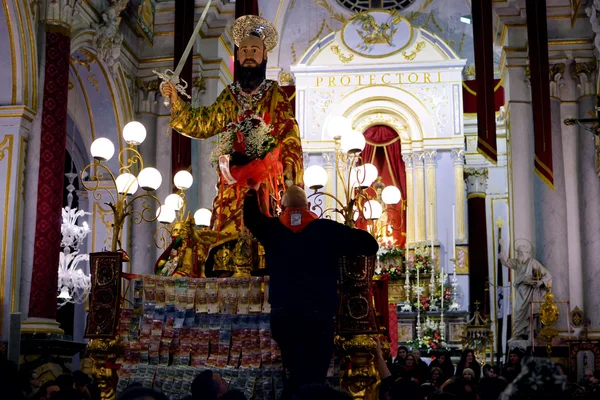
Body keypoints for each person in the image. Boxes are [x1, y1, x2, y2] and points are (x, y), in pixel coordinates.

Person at [161, 15, 303, 276]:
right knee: (229, 230)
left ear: (264, 56)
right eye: (244, 51)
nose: (249, 55)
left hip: (266, 182)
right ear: (238, 58)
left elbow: (289, 134)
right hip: (232, 184)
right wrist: (177, 101)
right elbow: (204, 122)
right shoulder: (230, 95)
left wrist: (286, 170)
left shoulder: (275, 93)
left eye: (254, 51)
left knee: (264, 227)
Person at [243, 184, 378, 394]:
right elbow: (369, 244)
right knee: (315, 374)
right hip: (318, 316)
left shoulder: (272, 230)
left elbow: (251, 218)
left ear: (281, 206)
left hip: (284, 316)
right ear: (307, 206)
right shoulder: (327, 230)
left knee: (294, 370)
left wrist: (252, 189)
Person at [499, 243, 552, 340]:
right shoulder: (518, 262)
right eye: (518, 253)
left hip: (530, 291)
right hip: (521, 292)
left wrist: (540, 282)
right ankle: (518, 334)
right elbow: (506, 262)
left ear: (527, 253)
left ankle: (530, 334)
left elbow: (548, 275)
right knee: (518, 311)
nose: (519, 255)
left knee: (531, 312)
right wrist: (502, 246)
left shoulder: (533, 262)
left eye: (521, 253)